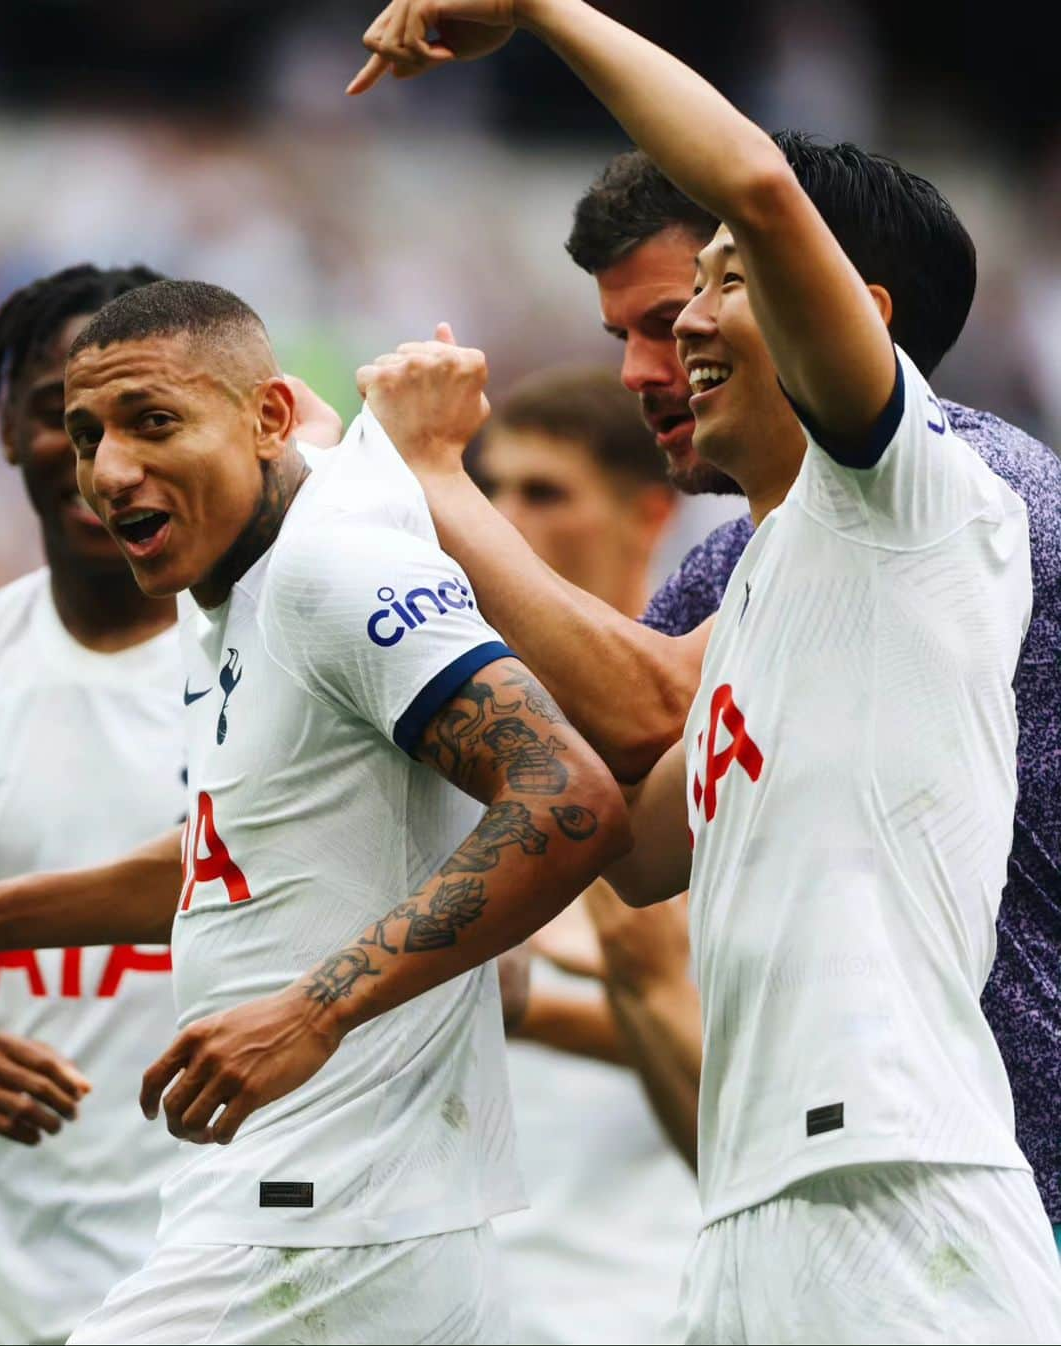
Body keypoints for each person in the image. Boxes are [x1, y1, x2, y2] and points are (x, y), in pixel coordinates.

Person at [349, 2, 1061, 1339]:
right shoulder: (764, 583)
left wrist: (542, 8)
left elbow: (755, 179)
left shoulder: (928, 492)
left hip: (916, 1175)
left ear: (849, 316)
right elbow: (631, 841)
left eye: (724, 286)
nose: (680, 335)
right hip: (758, 1193)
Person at [0, 277, 629, 1345]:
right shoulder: (239, 585)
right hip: (297, 1218)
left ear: (267, 416)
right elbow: (225, 861)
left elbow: (568, 797)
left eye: (153, 423)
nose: (108, 470)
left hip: (331, 1230)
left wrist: (315, 1008)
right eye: (85, 430)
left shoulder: (337, 570)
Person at [0, 263, 186, 1346]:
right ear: (5, 425)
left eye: (143, 414)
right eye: (62, 410)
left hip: (229, 1286)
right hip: (7, 1293)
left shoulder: (289, 659)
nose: (101, 453)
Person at [480, 365, 698, 1345]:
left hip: (645, 1291)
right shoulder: (448, 734)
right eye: (488, 487)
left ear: (648, 513)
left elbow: (747, 1041)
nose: (498, 516)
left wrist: (529, 1004)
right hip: (466, 1292)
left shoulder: (701, 736)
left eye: (543, 491)